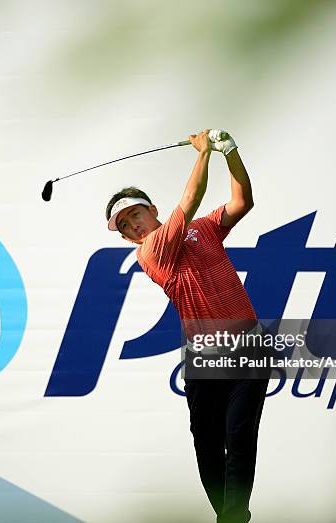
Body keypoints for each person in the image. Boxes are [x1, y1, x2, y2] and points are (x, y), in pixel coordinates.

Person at [105, 129, 269, 523]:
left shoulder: (203, 229)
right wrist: (203, 152)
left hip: (249, 343)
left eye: (135, 216)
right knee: (208, 444)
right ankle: (230, 516)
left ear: (152, 209)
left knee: (240, 436)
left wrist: (230, 153)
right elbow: (192, 198)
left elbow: (242, 200)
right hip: (205, 355)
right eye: (125, 226)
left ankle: (233, 519)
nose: (133, 227)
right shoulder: (152, 252)